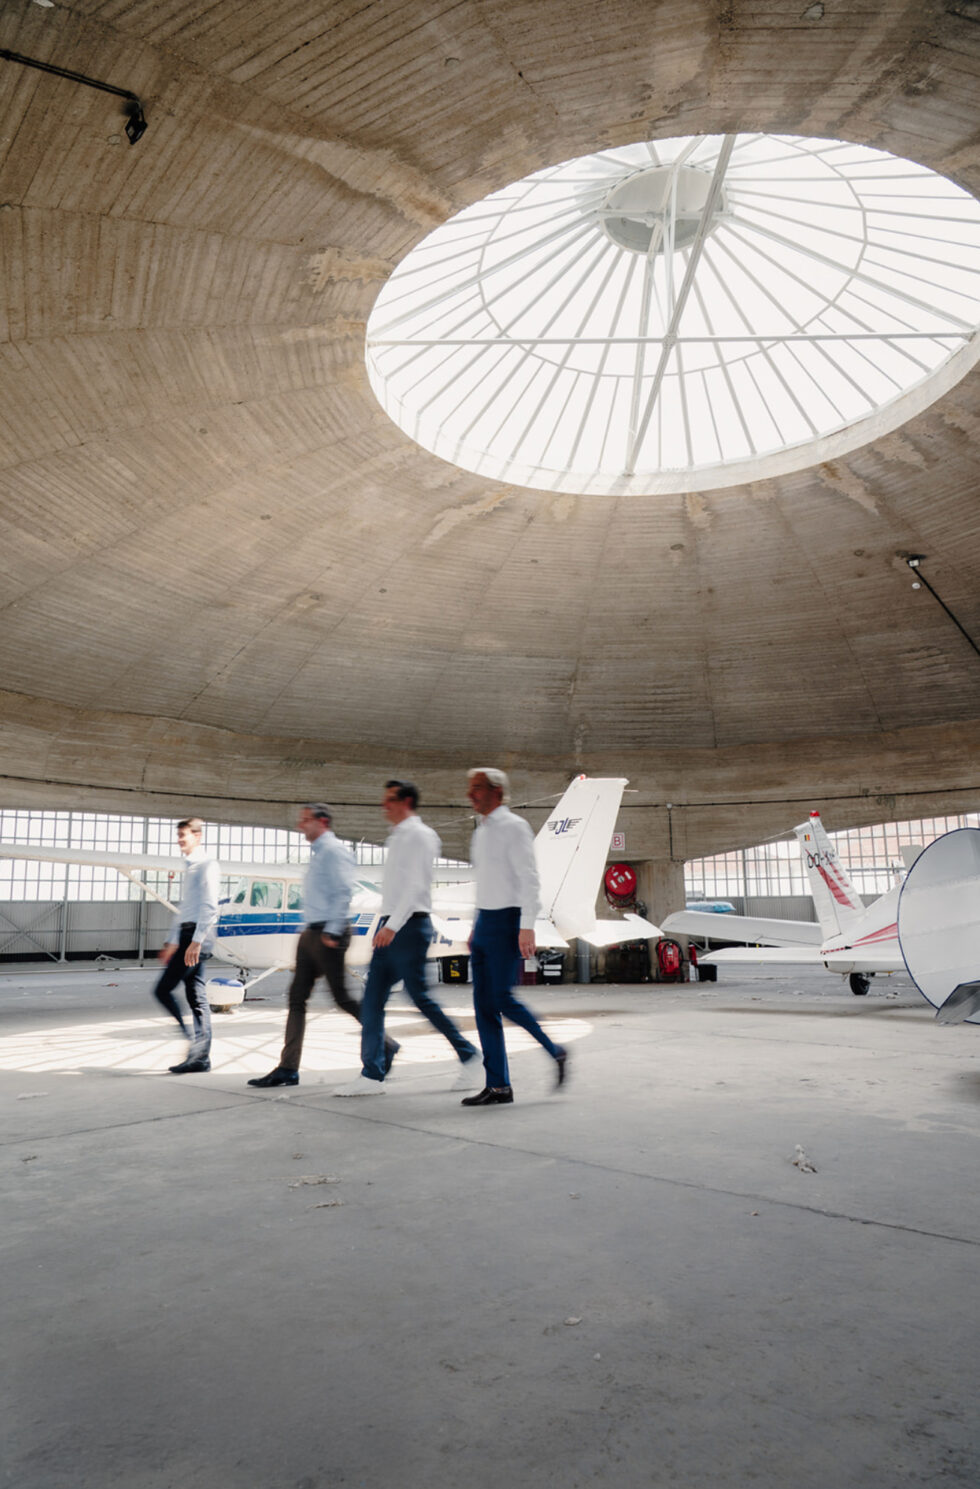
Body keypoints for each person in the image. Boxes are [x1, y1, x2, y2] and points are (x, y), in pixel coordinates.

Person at [333, 780, 481, 1097]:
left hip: (409, 927)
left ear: (407, 801)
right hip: (390, 927)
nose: (384, 806)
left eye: (390, 800)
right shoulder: (398, 837)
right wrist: (383, 924)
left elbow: (415, 888)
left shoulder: (420, 836)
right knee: (372, 1000)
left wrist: (392, 926)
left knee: (420, 998)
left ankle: (469, 1055)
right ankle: (372, 1075)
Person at [248, 802, 397, 1089]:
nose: (300, 825)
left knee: (342, 998)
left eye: (305, 820)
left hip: (330, 933)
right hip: (311, 934)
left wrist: (331, 931)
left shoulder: (334, 851)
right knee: (296, 998)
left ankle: (386, 1044)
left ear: (323, 822)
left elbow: (343, 891)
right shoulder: (318, 854)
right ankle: (288, 1068)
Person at [463, 768, 568, 1106]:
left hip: (508, 922)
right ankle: (498, 1086)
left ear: (496, 791)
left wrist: (527, 925)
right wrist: (474, 924)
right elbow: (486, 882)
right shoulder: (481, 831)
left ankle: (556, 1051)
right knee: (483, 1007)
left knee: (503, 1000)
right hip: (484, 923)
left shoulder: (514, 827)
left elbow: (529, 879)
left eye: (477, 788)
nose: (471, 794)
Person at [153, 816, 219, 1075]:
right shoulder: (190, 866)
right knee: (196, 997)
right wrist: (172, 941)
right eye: (178, 835)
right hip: (187, 935)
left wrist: (196, 941)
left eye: (184, 835)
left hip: (195, 937)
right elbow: (185, 909)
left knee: (163, 990)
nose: (179, 840)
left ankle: (195, 1047)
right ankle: (200, 1057)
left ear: (197, 836)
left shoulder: (207, 865)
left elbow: (210, 906)